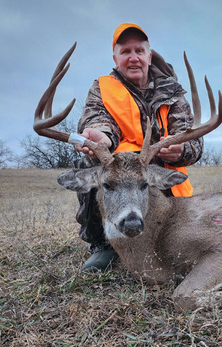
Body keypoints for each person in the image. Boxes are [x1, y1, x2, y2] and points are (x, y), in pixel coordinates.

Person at [74, 23, 203, 272]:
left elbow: (195, 143)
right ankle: (104, 244)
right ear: (115, 58)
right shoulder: (103, 89)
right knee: (88, 162)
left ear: (149, 56)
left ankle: (166, 233)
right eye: (125, 52)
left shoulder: (173, 93)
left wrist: (182, 150)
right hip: (119, 169)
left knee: (179, 236)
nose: (133, 58)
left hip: (159, 173)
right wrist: (101, 137)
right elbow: (97, 120)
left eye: (139, 51)